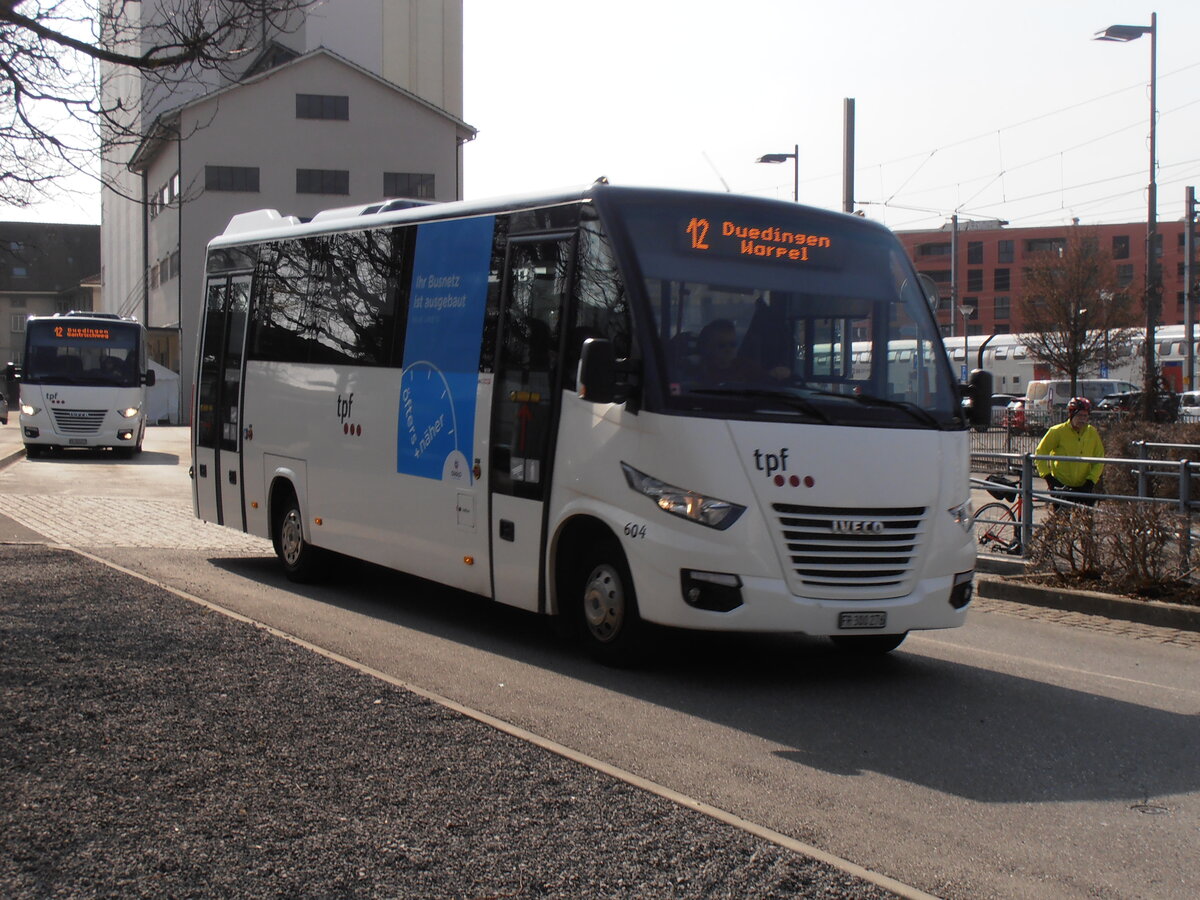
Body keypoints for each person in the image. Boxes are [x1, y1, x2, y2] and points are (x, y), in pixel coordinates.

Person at [1035, 396, 1104, 506]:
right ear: (1071, 414)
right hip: (1061, 485)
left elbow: (1099, 458)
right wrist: (1048, 477)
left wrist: (1091, 480)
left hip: (1084, 486)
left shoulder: (1092, 433)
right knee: (1061, 520)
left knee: (1085, 521)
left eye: (1085, 416)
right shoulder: (1057, 431)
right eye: (1079, 415)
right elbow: (1040, 453)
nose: (1082, 419)